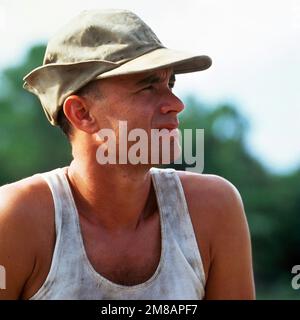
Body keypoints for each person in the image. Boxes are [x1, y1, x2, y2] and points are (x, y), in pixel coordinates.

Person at [0, 9, 255, 300]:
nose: (176, 104)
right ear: (82, 113)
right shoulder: (16, 220)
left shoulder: (213, 210)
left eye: (169, 84)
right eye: (147, 87)